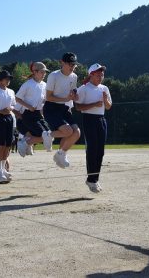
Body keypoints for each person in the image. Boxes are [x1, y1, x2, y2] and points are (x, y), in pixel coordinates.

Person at [75, 63, 112, 193]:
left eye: (102, 74)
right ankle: (91, 180)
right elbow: (78, 107)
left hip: (101, 119)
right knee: (92, 149)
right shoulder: (84, 88)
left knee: (100, 151)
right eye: (98, 74)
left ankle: (94, 179)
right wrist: (94, 104)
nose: (101, 77)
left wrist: (105, 100)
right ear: (91, 75)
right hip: (89, 119)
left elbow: (108, 107)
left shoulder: (104, 88)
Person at [43, 52, 81, 168]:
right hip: (51, 108)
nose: (72, 67)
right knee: (68, 131)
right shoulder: (53, 76)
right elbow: (48, 97)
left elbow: (73, 89)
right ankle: (48, 134)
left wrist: (75, 94)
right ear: (62, 63)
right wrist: (66, 98)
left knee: (77, 133)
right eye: (70, 64)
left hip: (64, 108)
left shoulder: (74, 76)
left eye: (74, 65)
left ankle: (61, 154)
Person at [15, 61, 53, 156]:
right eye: (42, 72)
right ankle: (25, 142)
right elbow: (17, 98)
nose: (44, 74)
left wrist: (43, 112)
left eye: (45, 72)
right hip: (28, 114)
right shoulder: (28, 84)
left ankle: (26, 142)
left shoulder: (45, 85)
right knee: (44, 135)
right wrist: (29, 107)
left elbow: (44, 100)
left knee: (50, 134)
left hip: (38, 114)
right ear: (35, 72)